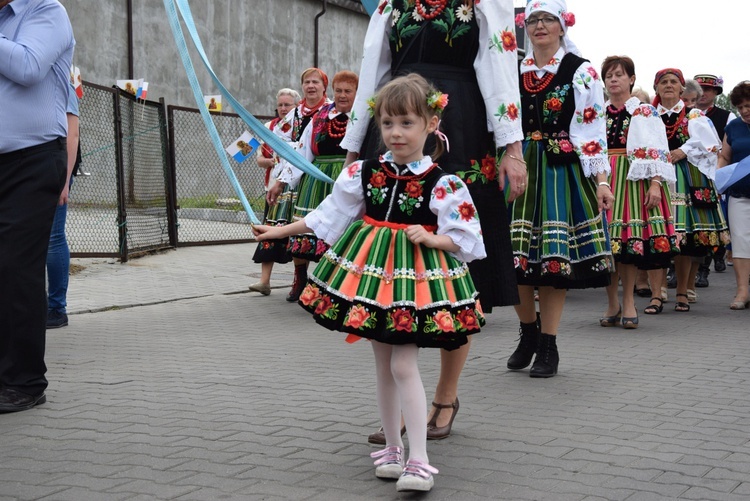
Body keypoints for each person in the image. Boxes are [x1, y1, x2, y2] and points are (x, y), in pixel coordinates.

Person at [254, 74, 486, 492]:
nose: (395, 133)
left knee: (401, 363)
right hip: (372, 279)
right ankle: (393, 449)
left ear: (431, 124)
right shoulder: (364, 173)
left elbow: (467, 238)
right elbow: (328, 215)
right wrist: (276, 232)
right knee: (383, 365)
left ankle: (419, 459)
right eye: (387, 124)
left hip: (414, 284)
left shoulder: (444, 183)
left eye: (407, 123)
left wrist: (432, 237)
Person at [341, 0, 524, 442]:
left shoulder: (483, 2)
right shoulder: (389, 5)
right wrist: (353, 145)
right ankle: (405, 402)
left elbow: (499, 65)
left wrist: (512, 148)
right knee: (395, 271)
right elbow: (373, 69)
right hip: (398, 119)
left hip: (459, 123)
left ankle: (445, 395)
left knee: (456, 273)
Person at [508, 1, 614, 377]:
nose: (539, 26)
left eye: (547, 20)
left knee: (554, 262)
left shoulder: (580, 70)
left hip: (560, 171)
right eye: (533, 19)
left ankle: (549, 344)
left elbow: (593, 130)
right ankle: (528, 332)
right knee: (515, 261)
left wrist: (601, 181)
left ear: (562, 25)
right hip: (518, 166)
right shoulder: (512, 69)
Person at [0, 0, 75, 413]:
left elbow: (28, 66)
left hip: (31, 160)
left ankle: (24, 381)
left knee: (15, 266)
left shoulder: (47, 11)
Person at [598, 56, 677, 327]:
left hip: (633, 179)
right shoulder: (597, 112)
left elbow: (657, 148)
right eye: (609, 76)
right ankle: (612, 303)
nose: (614, 80)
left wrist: (656, 183)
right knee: (606, 245)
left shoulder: (643, 111)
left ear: (631, 79)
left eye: (619, 74)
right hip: (602, 178)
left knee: (627, 244)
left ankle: (629, 302)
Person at [653, 68, 728, 313]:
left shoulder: (693, 115)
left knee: (683, 238)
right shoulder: (649, 114)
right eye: (663, 82)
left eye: (674, 81)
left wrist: (683, 150)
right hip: (656, 176)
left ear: (681, 88)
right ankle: (658, 292)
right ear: (656, 88)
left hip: (684, 177)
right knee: (656, 234)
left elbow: (711, 143)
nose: (669, 85)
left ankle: (683, 292)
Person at [275, 71, 358, 273]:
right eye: (338, 90)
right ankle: (299, 278)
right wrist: (282, 180)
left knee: (342, 231)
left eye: (348, 91)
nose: (342, 95)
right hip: (316, 176)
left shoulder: (361, 117)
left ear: (357, 93)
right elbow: (303, 151)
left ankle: (330, 280)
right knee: (304, 229)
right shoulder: (320, 116)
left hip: (348, 177)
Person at [267, 68, 331, 302]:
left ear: (324, 86)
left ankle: (326, 281)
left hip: (322, 175)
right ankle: (300, 278)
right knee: (298, 228)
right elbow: (279, 140)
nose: (310, 86)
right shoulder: (293, 115)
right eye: (306, 82)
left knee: (327, 228)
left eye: (315, 82)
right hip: (295, 175)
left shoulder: (330, 111)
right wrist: (281, 175)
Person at [249, 88, 300, 296]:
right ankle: (264, 281)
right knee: (268, 231)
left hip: (296, 188)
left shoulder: (302, 125)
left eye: (287, 104)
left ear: (296, 106)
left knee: (297, 235)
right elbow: (255, 157)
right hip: (274, 190)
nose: (283, 108)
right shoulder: (268, 127)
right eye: (280, 104)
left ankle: (299, 280)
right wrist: (267, 161)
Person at [46, 81, 81, 329]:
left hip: (54, 169)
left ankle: (57, 308)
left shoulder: (62, 85)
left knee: (53, 238)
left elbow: (72, 132)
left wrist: (64, 179)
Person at [694, 74, 737, 278]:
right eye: (699, 89)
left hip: (716, 172)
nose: (703, 93)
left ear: (716, 93)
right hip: (691, 171)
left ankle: (717, 255)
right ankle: (701, 265)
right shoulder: (685, 112)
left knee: (718, 216)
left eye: (708, 90)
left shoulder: (726, 116)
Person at [717, 80, 750, 310]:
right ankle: (742, 291)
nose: (745, 111)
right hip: (739, 194)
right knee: (740, 243)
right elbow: (725, 156)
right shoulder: (733, 127)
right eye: (740, 107)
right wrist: (719, 177)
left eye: (748, 105)